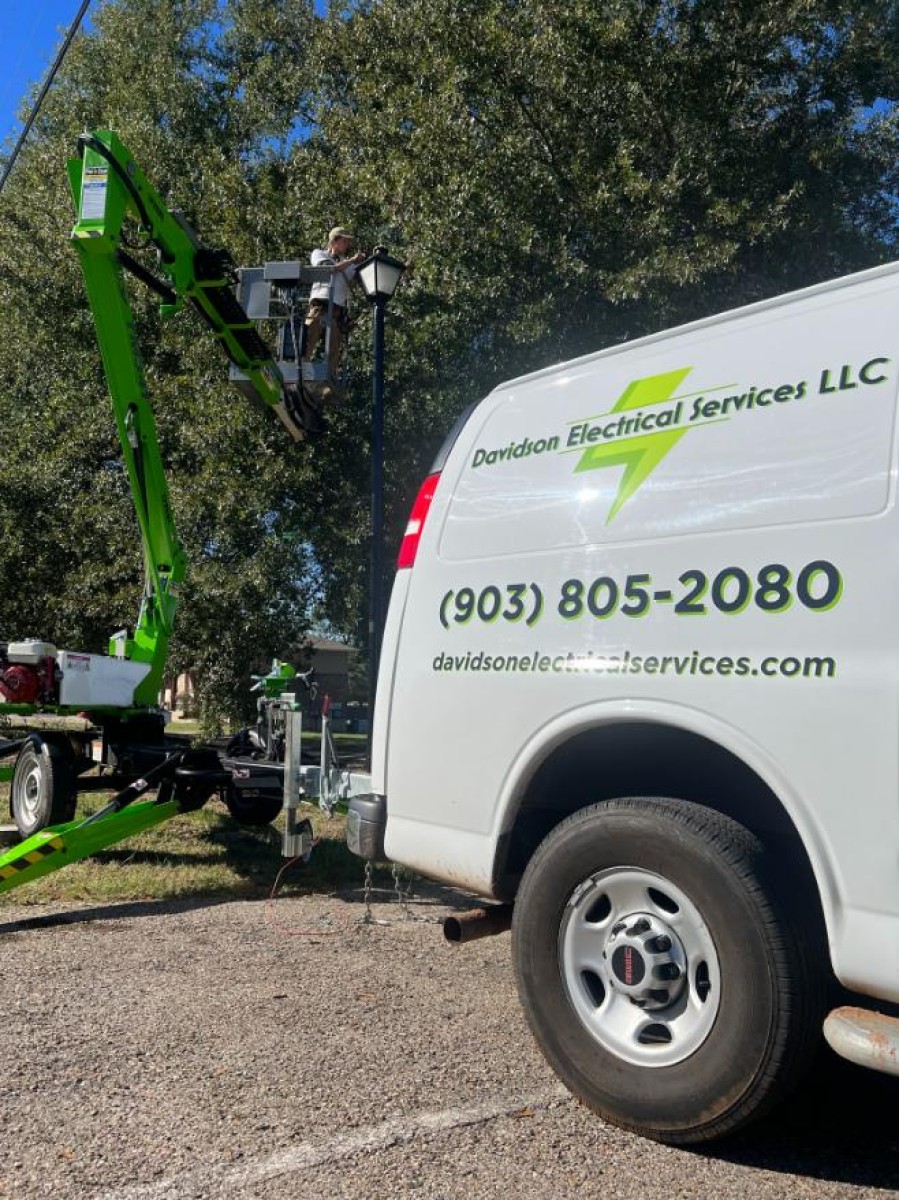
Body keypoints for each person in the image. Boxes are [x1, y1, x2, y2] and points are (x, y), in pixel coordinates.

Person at [303, 226, 365, 390]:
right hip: (319, 304)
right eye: (344, 241)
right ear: (334, 241)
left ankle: (328, 381)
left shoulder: (349, 265)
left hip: (337, 310)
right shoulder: (319, 254)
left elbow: (362, 276)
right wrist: (352, 260)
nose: (347, 244)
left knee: (335, 345)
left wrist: (365, 263)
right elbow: (330, 269)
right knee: (310, 333)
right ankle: (301, 367)